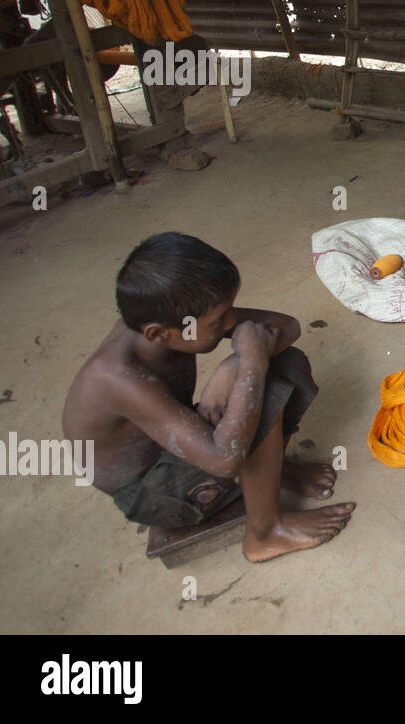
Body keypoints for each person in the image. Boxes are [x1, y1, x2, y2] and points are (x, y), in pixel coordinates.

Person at [62, 232, 354, 563]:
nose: (231, 322)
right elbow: (224, 459)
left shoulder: (170, 316)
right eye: (219, 321)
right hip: (154, 492)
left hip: (182, 447)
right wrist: (252, 362)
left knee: (286, 363)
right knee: (263, 385)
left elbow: (285, 326)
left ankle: (273, 469)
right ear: (158, 334)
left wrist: (231, 367)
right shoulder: (117, 377)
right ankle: (265, 533)